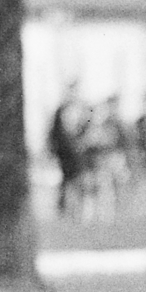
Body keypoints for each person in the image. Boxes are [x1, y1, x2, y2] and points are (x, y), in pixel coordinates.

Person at [47, 83, 90, 219]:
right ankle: (66, 209)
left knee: (75, 180)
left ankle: (73, 209)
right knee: (69, 180)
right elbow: (56, 134)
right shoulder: (62, 110)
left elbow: (83, 129)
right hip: (66, 152)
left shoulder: (80, 109)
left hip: (76, 152)